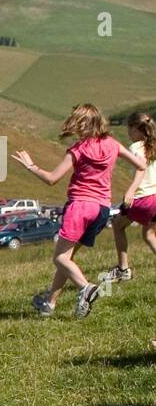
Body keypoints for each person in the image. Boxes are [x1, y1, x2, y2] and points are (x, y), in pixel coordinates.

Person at [13, 104, 149, 317]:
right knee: (68, 258)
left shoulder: (79, 149)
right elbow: (142, 166)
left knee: (59, 258)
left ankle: (86, 288)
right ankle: (49, 304)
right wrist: (131, 189)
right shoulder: (113, 144)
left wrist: (30, 166)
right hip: (102, 209)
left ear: (83, 124)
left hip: (80, 207)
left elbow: (51, 179)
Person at [102, 111, 156, 285]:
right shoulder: (154, 145)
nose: (128, 133)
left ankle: (123, 269)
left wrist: (131, 190)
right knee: (148, 234)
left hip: (143, 198)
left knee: (117, 225)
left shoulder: (136, 147)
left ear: (136, 129)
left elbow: (141, 169)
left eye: (129, 129)